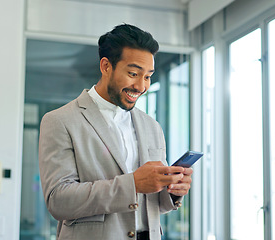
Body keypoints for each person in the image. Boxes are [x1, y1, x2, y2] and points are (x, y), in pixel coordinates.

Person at [38, 23, 193, 240]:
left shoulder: (152, 126)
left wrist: (172, 192)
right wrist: (133, 184)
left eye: (148, 76)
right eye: (133, 73)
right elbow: (58, 201)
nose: (141, 86)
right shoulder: (60, 121)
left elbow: (153, 205)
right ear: (105, 66)